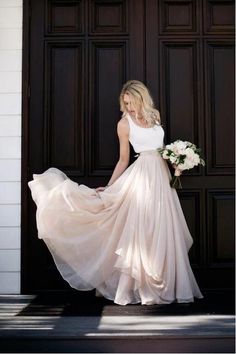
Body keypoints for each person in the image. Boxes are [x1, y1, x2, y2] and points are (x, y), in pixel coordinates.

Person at [28, 80, 204, 305]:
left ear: (142, 98)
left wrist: (177, 162)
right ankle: (139, 286)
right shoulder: (124, 124)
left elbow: (160, 150)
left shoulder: (155, 116)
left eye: (132, 102)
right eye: (126, 103)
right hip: (140, 177)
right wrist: (110, 187)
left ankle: (166, 283)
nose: (129, 108)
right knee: (141, 228)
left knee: (162, 227)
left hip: (161, 178)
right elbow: (123, 160)